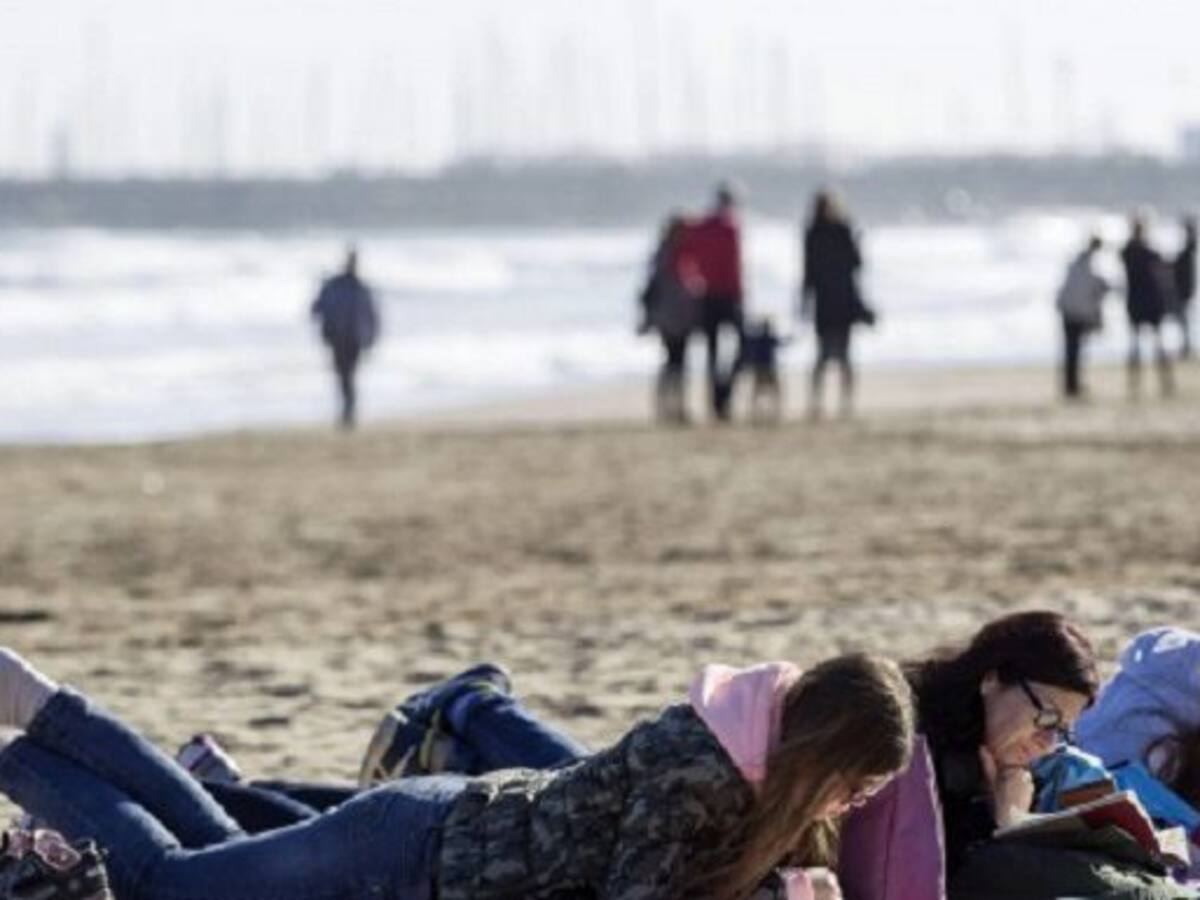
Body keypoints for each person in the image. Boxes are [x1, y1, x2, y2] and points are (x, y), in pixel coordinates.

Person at [0, 648, 915, 900]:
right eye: (860, 781)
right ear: (825, 748)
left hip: (442, 832)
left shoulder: (744, 745)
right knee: (169, 885)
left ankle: (29, 742)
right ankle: (33, 724)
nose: (859, 802)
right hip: (412, 851)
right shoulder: (706, 771)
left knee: (212, 848)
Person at [677, 182, 745, 422]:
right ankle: (723, 394)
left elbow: (683, 256)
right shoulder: (730, 227)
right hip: (729, 295)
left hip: (707, 295)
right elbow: (736, 267)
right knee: (743, 346)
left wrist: (693, 281)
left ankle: (715, 399)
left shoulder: (701, 227)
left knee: (712, 352)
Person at [799, 191, 869, 419]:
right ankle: (818, 403)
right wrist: (804, 300)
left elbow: (857, 265)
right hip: (828, 300)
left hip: (841, 300)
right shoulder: (816, 233)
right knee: (824, 355)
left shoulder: (840, 231)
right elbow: (808, 271)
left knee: (843, 355)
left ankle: (844, 403)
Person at [638, 214, 700, 425]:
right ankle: (669, 406)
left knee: (677, 362)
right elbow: (655, 288)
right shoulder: (667, 255)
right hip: (670, 316)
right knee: (674, 362)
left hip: (680, 315)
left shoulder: (676, 254)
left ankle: (674, 406)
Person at [311, 246, 380, 429]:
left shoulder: (358, 288)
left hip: (353, 339)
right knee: (344, 376)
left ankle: (348, 413)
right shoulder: (336, 286)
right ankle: (347, 412)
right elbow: (317, 309)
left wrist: (371, 339)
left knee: (347, 376)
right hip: (337, 338)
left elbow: (371, 316)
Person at [1121, 215, 1176, 398]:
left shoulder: (1129, 252)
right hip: (1149, 302)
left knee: (1140, 344)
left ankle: (1138, 384)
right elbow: (1163, 273)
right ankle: (1162, 382)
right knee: (1154, 343)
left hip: (1138, 302)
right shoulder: (1144, 252)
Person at [1054, 235, 1108, 400]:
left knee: (1072, 351)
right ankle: (1072, 386)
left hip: (1069, 309)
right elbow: (1089, 290)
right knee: (1074, 351)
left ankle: (1072, 385)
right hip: (1075, 312)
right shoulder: (1084, 265)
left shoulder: (1077, 263)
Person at [740, 316, 789, 426]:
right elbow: (783, 342)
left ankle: (761, 415)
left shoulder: (757, 340)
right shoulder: (767, 339)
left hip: (763, 369)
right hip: (765, 370)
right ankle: (767, 415)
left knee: (759, 394)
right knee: (771, 392)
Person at [1172, 216, 1196, 360]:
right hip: (1185, 289)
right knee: (1183, 321)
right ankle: (1185, 347)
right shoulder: (1187, 252)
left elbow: (1192, 244)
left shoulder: (1187, 252)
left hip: (1184, 290)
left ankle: (1186, 347)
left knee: (1183, 321)